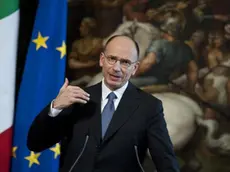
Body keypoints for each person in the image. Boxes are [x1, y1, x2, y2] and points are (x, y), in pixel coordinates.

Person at [27, 35, 180, 172]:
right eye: (112, 59)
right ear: (102, 60)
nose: (116, 68)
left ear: (135, 68)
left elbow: (166, 162)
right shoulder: (77, 98)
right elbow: (35, 143)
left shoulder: (150, 107)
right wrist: (55, 107)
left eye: (125, 62)